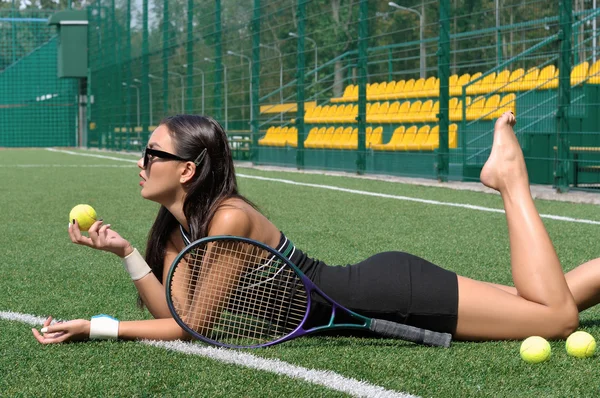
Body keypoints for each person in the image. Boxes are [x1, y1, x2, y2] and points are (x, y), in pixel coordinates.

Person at [33, 112, 593, 345]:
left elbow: (191, 326)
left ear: (185, 169)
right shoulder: (180, 233)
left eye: (150, 152)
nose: (140, 160)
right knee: (549, 295)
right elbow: (173, 315)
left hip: (389, 295)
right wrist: (129, 252)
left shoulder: (229, 219)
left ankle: (510, 178)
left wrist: (99, 327)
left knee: (556, 317)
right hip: (378, 291)